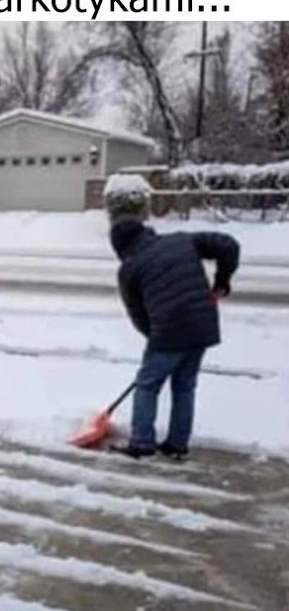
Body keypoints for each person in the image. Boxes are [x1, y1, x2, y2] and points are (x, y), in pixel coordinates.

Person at [105, 175, 240, 461]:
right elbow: (228, 245)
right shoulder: (181, 240)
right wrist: (221, 283)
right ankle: (177, 444)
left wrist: (157, 339)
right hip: (203, 326)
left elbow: (138, 315)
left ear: (121, 247)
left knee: (148, 385)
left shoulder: (129, 269)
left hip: (170, 331)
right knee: (184, 385)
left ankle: (142, 443)